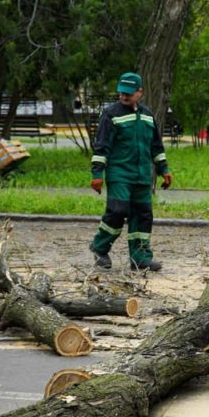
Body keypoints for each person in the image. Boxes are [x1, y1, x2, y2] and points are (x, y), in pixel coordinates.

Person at [89, 72, 172, 272]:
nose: (123, 96)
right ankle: (100, 247)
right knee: (118, 211)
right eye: (121, 93)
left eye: (128, 93)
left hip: (143, 176)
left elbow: (156, 147)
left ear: (140, 92)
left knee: (143, 215)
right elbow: (101, 147)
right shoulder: (111, 115)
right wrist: (97, 175)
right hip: (119, 174)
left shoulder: (147, 116)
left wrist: (164, 170)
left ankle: (140, 257)